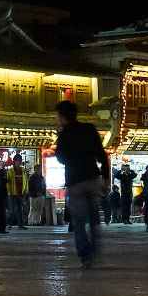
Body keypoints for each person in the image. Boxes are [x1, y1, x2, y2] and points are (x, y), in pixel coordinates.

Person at [54, 101, 109, 268]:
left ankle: (85, 256)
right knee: (93, 218)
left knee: (78, 220)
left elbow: (61, 158)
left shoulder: (64, 135)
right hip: (93, 178)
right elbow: (101, 154)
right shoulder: (89, 129)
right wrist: (105, 176)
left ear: (63, 117)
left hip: (75, 181)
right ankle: (94, 251)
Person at [4, 154, 29, 230]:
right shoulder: (10, 171)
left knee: (20, 209)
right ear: (14, 161)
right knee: (11, 210)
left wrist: (25, 191)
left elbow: (26, 182)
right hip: (13, 193)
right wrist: (9, 193)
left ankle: (20, 225)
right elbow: (8, 183)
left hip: (21, 193)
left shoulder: (23, 171)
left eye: (20, 160)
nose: (19, 162)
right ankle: (9, 224)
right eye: (18, 160)